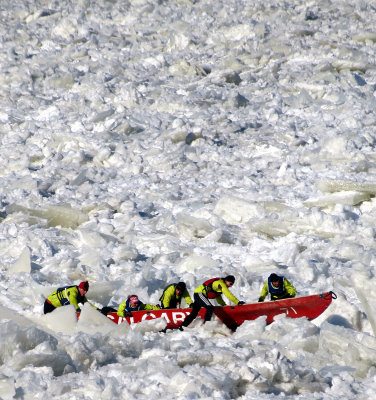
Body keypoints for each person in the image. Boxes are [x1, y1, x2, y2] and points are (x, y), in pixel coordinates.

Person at [179, 275, 245, 330]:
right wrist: (237, 302)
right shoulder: (220, 283)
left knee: (194, 312)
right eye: (230, 284)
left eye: (232, 284)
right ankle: (206, 326)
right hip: (200, 293)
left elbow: (218, 297)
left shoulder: (219, 286)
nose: (230, 286)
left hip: (198, 294)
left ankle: (182, 326)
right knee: (210, 308)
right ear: (226, 281)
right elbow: (228, 294)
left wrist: (223, 305)